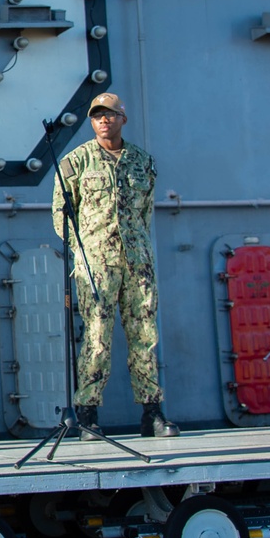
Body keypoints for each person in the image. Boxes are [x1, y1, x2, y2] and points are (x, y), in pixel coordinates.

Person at [52, 93, 178, 439]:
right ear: (92, 122)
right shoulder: (75, 162)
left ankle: (152, 413)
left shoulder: (142, 162)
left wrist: (139, 250)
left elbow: (145, 214)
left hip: (137, 262)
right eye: (97, 116)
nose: (104, 121)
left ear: (123, 118)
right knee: (96, 336)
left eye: (110, 115)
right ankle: (88, 415)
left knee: (145, 336)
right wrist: (83, 254)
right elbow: (63, 218)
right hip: (97, 265)